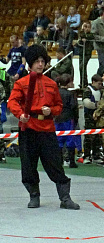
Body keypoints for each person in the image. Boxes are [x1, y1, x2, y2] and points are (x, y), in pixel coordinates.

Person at [7, 45, 80, 210]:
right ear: (30, 64)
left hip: (47, 128)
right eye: (37, 61)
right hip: (28, 128)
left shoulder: (51, 84)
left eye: (42, 61)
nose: (40, 64)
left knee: (55, 163)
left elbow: (59, 106)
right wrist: (20, 115)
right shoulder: (21, 83)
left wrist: (51, 111)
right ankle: (34, 195)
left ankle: (65, 197)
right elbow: (12, 102)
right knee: (28, 165)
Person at [54, 74, 80, 168]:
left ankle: (59, 161)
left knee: (59, 140)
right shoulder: (70, 94)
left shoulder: (55, 92)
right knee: (70, 140)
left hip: (57, 118)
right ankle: (72, 161)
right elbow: (74, 107)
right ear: (68, 83)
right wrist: (76, 118)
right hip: (68, 118)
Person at [82, 74, 103, 164]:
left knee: (98, 137)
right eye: (99, 84)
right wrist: (95, 105)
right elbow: (86, 102)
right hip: (89, 116)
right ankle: (86, 156)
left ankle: (96, 155)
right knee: (89, 137)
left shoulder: (101, 91)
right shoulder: (87, 90)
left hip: (98, 116)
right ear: (93, 82)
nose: (100, 86)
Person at [77, 21, 94, 87]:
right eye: (85, 27)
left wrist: (84, 35)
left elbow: (87, 37)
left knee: (82, 66)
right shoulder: (81, 34)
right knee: (81, 68)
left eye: (88, 27)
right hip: (81, 53)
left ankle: (84, 82)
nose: (86, 29)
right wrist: (82, 30)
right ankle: (82, 82)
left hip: (87, 53)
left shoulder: (91, 35)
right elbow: (81, 36)